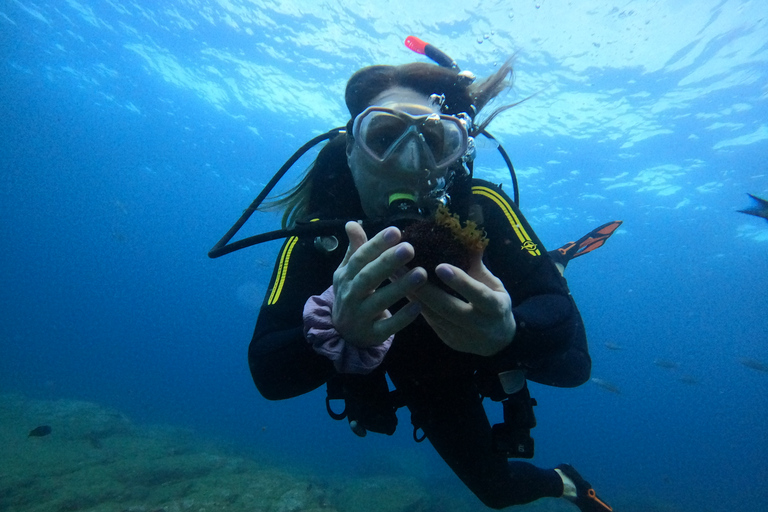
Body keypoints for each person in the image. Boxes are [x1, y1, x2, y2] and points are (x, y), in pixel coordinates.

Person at [247, 40, 615, 511]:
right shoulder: (321, 236)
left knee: (573, 369)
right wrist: (338, 331)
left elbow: (556, 316)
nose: (409, 161)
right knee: (497, 492)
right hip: (426, 374)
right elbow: (268, 372)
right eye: (383, 138)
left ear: (455, 154)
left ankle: (550, 264)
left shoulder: (481, 205)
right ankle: (566, 483)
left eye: (434, 141)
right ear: (350, 151)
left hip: (482, 352)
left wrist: (509, 331)